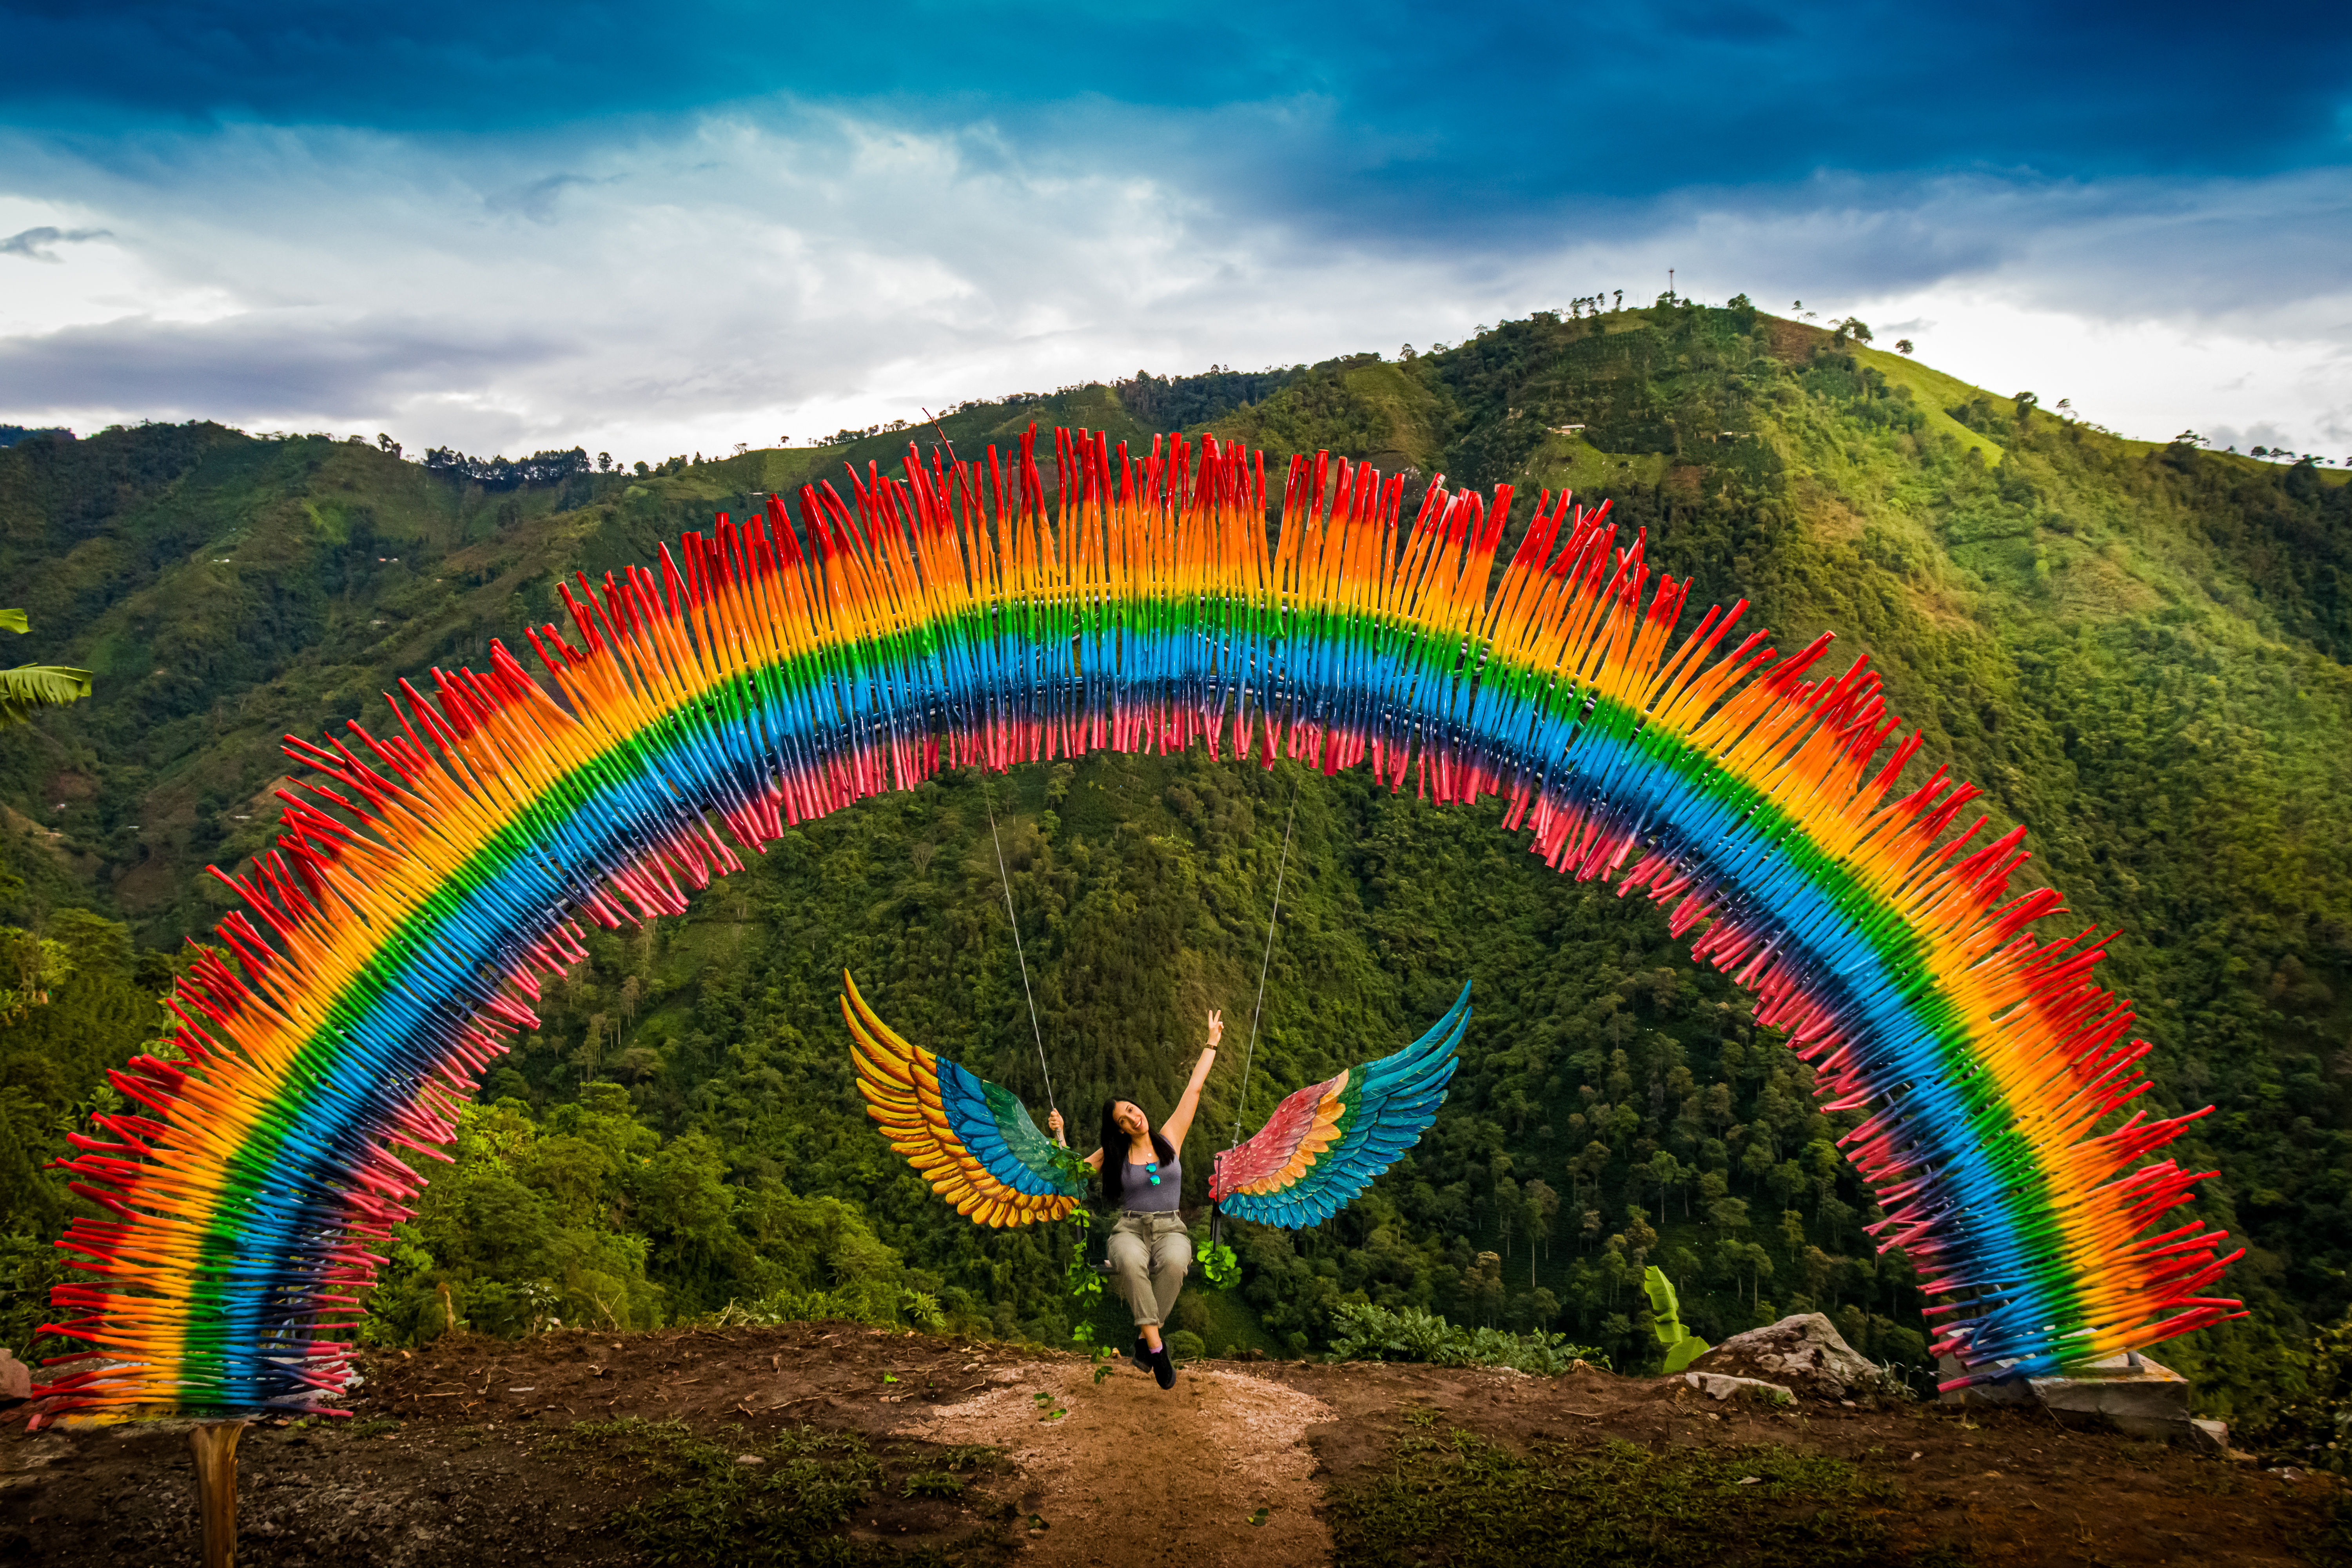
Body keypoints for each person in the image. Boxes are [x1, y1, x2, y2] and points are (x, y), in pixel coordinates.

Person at [1047, 1009, 1221, 1390]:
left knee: (1176, 1264)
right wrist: (1060, 1135)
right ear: (1119, 1130)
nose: (1132, 1118)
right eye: (1123, 1120)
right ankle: (1158, 1353)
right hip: (1130, 1227)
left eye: (1131, 1109)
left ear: (1138, 1107)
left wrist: (1211, 1042)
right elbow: (1073, 1171)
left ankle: (1145, 1342)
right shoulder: (1114, 1154)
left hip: (1171, 1226)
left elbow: (1193, 1088)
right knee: (1127, 1261)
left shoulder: (1170, 1136)